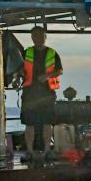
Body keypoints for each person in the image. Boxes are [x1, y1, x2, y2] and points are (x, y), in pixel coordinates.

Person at [17, 26, 63, 161]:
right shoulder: (26, 52)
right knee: (29, 124)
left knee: (47, 123)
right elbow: (19, 69)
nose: (38, 38)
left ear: (45, 37)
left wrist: (47, 76)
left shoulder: (52, 53)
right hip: (30, 94)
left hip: (47, 94)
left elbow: (60, 70)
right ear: (32, 37)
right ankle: (30, 152)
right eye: (35, 35)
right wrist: (19, 73)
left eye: (41, 35)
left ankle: (47, 151)